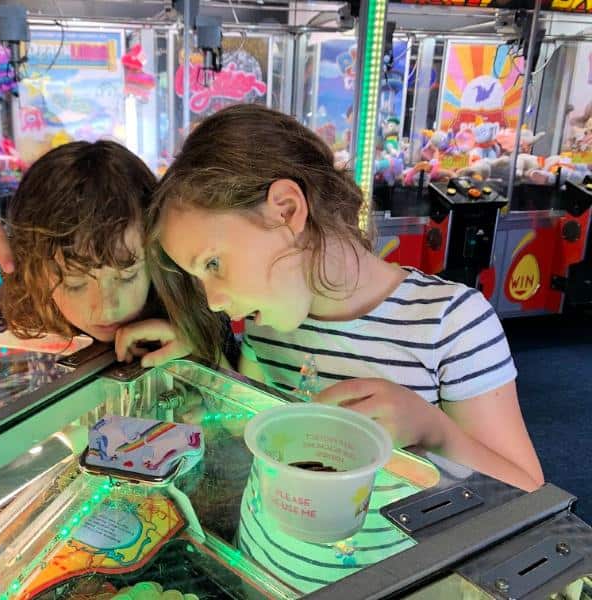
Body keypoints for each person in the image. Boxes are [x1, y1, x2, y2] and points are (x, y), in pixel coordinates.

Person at [146, 103, 543, 492]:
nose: (213, 301)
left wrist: (433, 430)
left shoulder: (452, 322)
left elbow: (526, 491)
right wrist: (203, 369)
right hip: (265, 550)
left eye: (213, 263)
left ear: (285, 211)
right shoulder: (266, 327)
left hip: (397, 559)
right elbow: (259, 426)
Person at [0, 140, 225, 368]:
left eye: (127, 275)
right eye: (74, 282)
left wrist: (197, 347)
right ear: (35, 268)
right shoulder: (27, 311)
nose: (107, 306)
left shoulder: (198, 301)